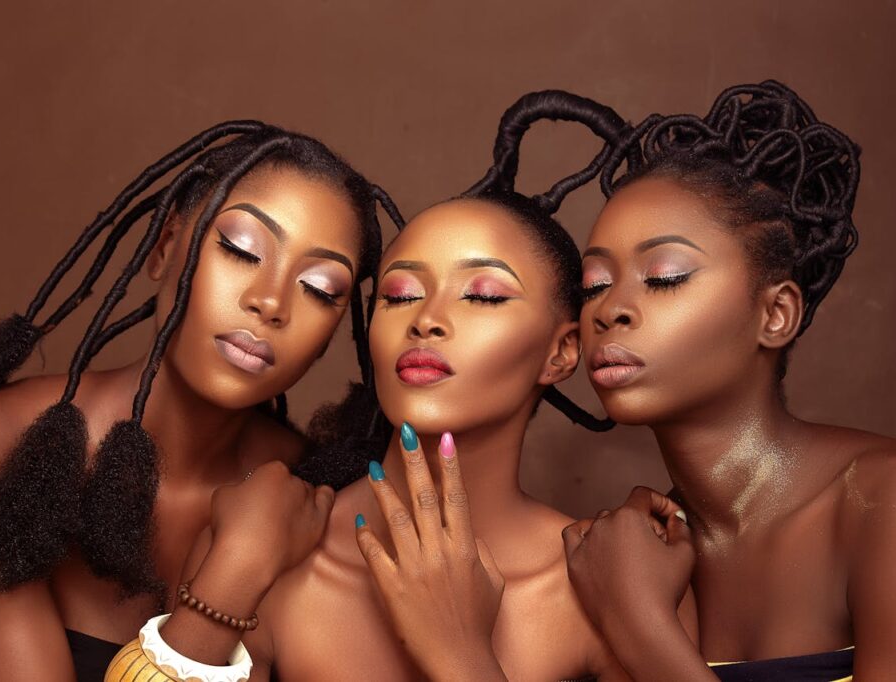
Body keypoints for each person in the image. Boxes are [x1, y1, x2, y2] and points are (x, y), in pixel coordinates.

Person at [142, 92, 637, 681]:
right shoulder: (269, 551)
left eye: (482, 294)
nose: (425, 319)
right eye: (399, 295)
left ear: (560, 353)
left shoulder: (605, 587)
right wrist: (233, 570)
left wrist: (460, 653)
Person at [0, 122, 400, 681]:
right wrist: (232, 579)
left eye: (320, 289)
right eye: (240, 250)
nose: (270, 303)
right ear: (164, 251)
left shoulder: (311, 497)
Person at [561, 80, 896, 680]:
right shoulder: (632, 552)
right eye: (594, 284)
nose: (609, 309)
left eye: (665, 276)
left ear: (775, 314)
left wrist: (639, 624)